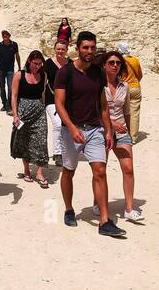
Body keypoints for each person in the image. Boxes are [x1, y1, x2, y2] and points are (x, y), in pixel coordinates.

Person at [54, 31, 125, 238]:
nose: (90, 51)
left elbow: (103, 105)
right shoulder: (65, 73)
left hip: (95, 129)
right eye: (86, 48)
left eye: (93, 48)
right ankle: (68, 209)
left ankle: (104, 220)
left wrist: (109, 130)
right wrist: (73, 128)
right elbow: (59, 103)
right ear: (78, 48)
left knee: (100, 171)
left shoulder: (98, 72)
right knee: (69, 170)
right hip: (71, 129)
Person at [102, 50, 142, 222]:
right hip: (101, 131)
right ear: (104, 65)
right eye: (111, 62)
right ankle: (99, 203)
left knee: (128, 169)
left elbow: (126, 110)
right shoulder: (97, 86)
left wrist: (127, 129)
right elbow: (94, 110)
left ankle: (129, 208)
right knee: (100, 170)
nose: (115, 66)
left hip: (121, 131)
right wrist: (110, 124)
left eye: (118, 63)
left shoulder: (124, 86)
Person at [10, 50, 51, 187]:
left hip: (39, 111)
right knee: (24, 140)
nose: (37, 66)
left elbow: (43, 94)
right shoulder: (19, 75)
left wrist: (44, 109)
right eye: (35, 63)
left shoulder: (43, 75)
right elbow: (14, 96)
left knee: (41, 140)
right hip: (23, 111)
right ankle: (27, 170)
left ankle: (39, 172)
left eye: (39, 64)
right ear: (29, 61)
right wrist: (15, 115)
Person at [42, 39, 69, 166]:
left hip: (68, 100)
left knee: (66, 125)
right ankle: (57, 153)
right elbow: (42, 81)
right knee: (58, 124)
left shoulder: (70, 64)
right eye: (58, 49)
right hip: (51, 98)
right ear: (54, 49)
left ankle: (66, 150)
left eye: (63, 49)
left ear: (66, 50)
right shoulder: (47, 64)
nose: (60, 51)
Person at [117, 41, 143, 140]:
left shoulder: (119, 61)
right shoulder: (135, 60)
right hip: (135, 87)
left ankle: (122, 134)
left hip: (123, 87)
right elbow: (140, 75)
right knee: (134, 113)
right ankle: (133, 137)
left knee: (121, 112)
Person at [0, 29, 21, 114]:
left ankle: (9, 105)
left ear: (9, 36)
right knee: (2, 88)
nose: (4, 36)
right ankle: (4, 104)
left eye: (6, 35)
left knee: (10, 88)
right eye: (3, 35)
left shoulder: (14, 45)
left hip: (10, 70)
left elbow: (17, 56)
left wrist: (19, 66)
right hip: (1, 69)